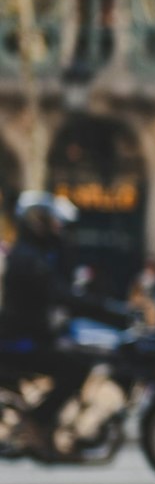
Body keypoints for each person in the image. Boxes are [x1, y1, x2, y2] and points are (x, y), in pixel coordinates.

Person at [0, 191, 128, 454]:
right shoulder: (28, 258)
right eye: (50, 222)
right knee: (76, 367)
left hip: (30, 335)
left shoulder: (34, 253)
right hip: (24, 341)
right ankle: (38, 422)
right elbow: (62, 296)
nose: (57, 228)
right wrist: (112, 312)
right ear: (37, 222)